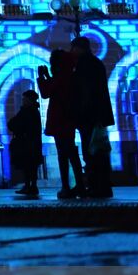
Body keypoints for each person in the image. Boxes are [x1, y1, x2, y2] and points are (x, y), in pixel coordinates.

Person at [69, 36, 115, 198]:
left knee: (91, 152)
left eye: (73, 48)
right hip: (99, 115)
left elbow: (84, 92)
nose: (71, 51)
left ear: (79, 48)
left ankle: (97, 186)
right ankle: (103, 186)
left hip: (89, 116)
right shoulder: (96, 63)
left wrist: (80, 113)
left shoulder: (84, 64)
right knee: (99, 151)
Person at [38, 49, 85, 199]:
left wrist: (41, 77)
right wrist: (48, 77)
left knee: (64, 154)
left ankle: (66, 187)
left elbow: (46, 92)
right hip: (69, 120)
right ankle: (80, 185)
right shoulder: (70, 76)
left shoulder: (61, 77)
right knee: (71, 152)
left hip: (60, 120)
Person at [8, 90, 43, 198]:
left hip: (27, 143)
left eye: (24, 99)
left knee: (28, 165)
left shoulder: (27, 111)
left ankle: (30, 186)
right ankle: (31, 186)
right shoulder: (33, 111)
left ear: (29, 100)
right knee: (30, 166)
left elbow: (15, 123)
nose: (22, 101)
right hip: (31, 143)